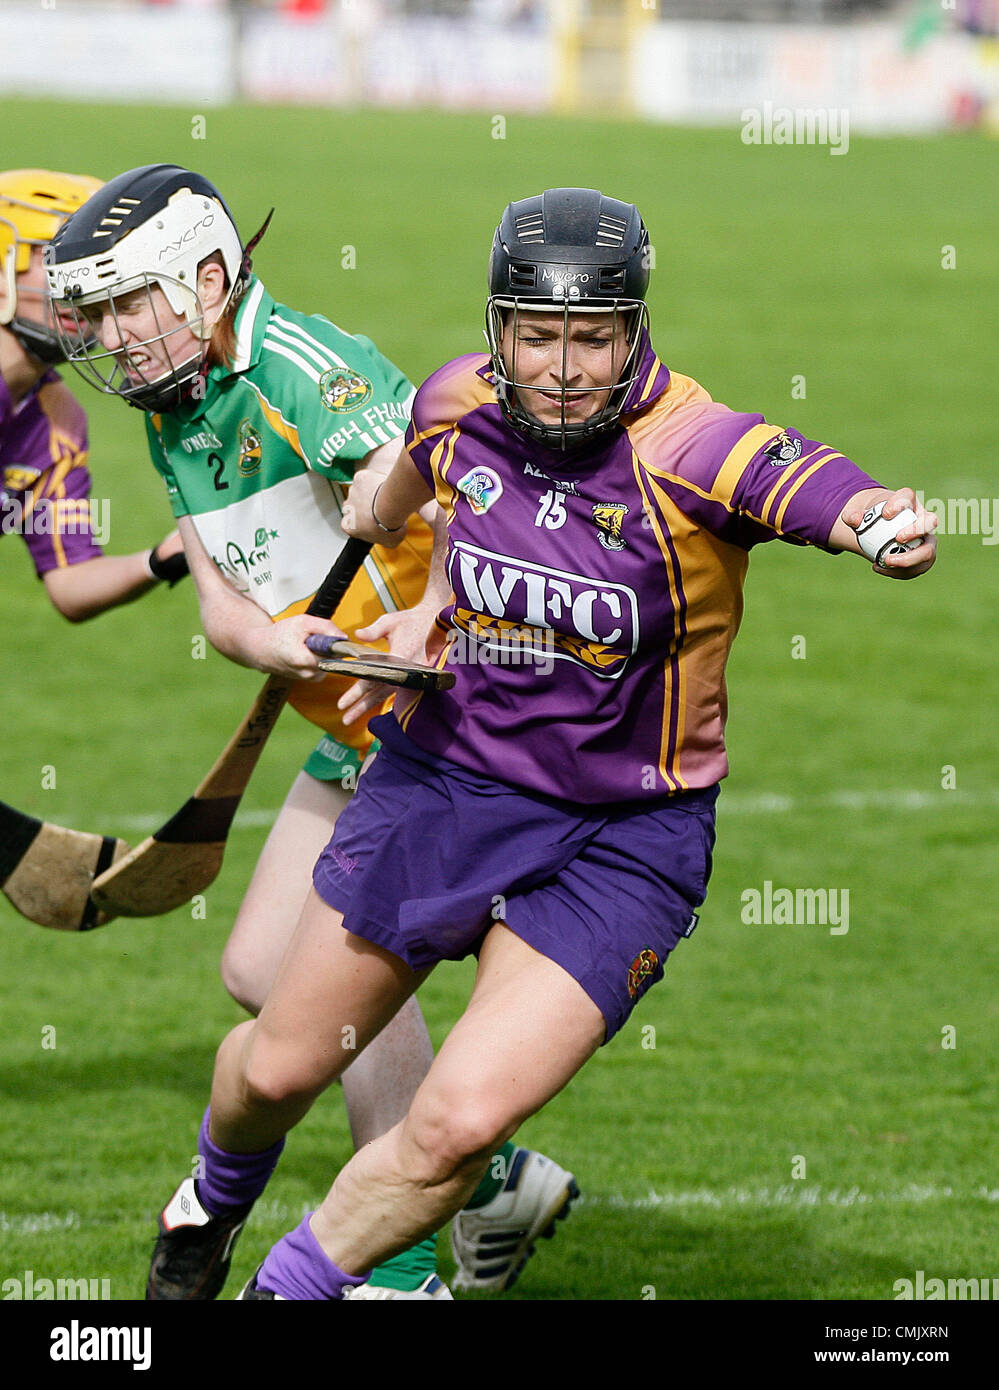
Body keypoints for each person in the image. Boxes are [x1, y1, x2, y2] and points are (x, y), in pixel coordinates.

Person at [46, 165, 577, 1300]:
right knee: (258, 969)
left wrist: (416, 616)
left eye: (127, 304)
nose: (111, 337)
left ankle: (410, 1272)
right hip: (351, 723)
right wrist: (268, 645)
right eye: (95, 315)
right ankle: (493, 1187)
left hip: (446, 727)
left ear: (204, 280)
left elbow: (475, 510)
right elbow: (217, 600)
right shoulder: (174, 409)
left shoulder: (303, 377)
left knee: (336, 993)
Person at [0, 169, 187, 620]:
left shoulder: (56, 420)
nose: (75, 287)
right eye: (52, 260)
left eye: (94, 266)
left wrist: (164, 558)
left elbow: (71, 580)